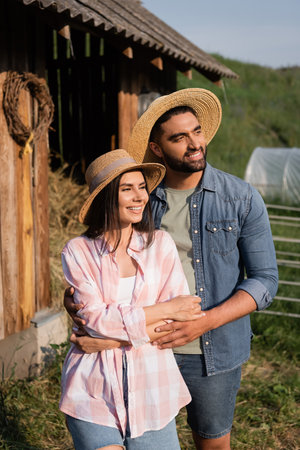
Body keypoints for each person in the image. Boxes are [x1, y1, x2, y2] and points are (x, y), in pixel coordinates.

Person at [65, 89, 278, 450]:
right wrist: (76, 302)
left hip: (211, 351)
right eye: (179, 137)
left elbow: (265, 280)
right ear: (157, 148)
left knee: (211, 443)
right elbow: (101, 264)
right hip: (139, 352)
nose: (194, 143)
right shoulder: (141, 199)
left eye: (197, 132)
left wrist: (205, 321)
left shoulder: (240, 198)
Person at [60, 148, 205, 450]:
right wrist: (164, 308)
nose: (140, 197)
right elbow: (95, 320)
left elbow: (179, 320)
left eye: (142, 188)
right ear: (105, 197)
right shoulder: (78, 251)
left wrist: (108, 341)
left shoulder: (161, 245)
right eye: (127, 189)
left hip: (153, 390)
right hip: (92, 388)